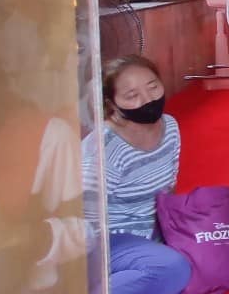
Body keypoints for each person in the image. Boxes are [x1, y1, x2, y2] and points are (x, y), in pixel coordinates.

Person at [84, 56, 189, 294]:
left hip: (153, 233)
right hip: (109, 240)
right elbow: (85, 219)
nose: (148, 99)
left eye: (153, 86)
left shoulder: (170, 127)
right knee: (173, 268)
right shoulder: (104, 147)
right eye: (132, 95)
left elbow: (168, 188)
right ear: (112, 103)